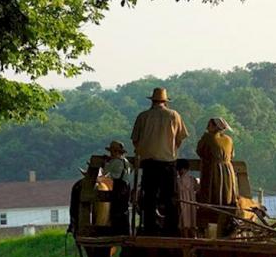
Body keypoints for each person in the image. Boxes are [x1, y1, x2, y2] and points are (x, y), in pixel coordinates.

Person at [131, 87, 188, 236]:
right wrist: (170, 150)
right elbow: (180, 138)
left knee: (149, 196)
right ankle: (171, 228)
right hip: (168, 162)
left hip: (149, 162)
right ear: (165, 101)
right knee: (170, 196)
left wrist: (144, 150)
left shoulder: (143, 117)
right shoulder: (174, 115)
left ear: (152, 101)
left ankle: (150, 227)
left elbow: (135, 141)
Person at [196, 117, 238, 238]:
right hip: (228, 170)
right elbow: (232, 155)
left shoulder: (208, 137)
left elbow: (199, 151)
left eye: (209, 125)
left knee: (211, 195)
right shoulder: (229, 139)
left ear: (215, 127)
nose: (207, 127)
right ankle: (226, 219)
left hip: (213, 170)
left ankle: (209, 223)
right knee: (226, 195)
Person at [101, 140, 131, 235]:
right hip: (125, 187)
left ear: (117, 152)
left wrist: (105, 163)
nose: (111, 153)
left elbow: (106, 173)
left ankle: (116, 230)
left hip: (118, 187)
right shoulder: (126, 162)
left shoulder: (115, 162)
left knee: (115, 209)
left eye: (113, 151)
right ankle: (125, 230)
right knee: (123, 209)